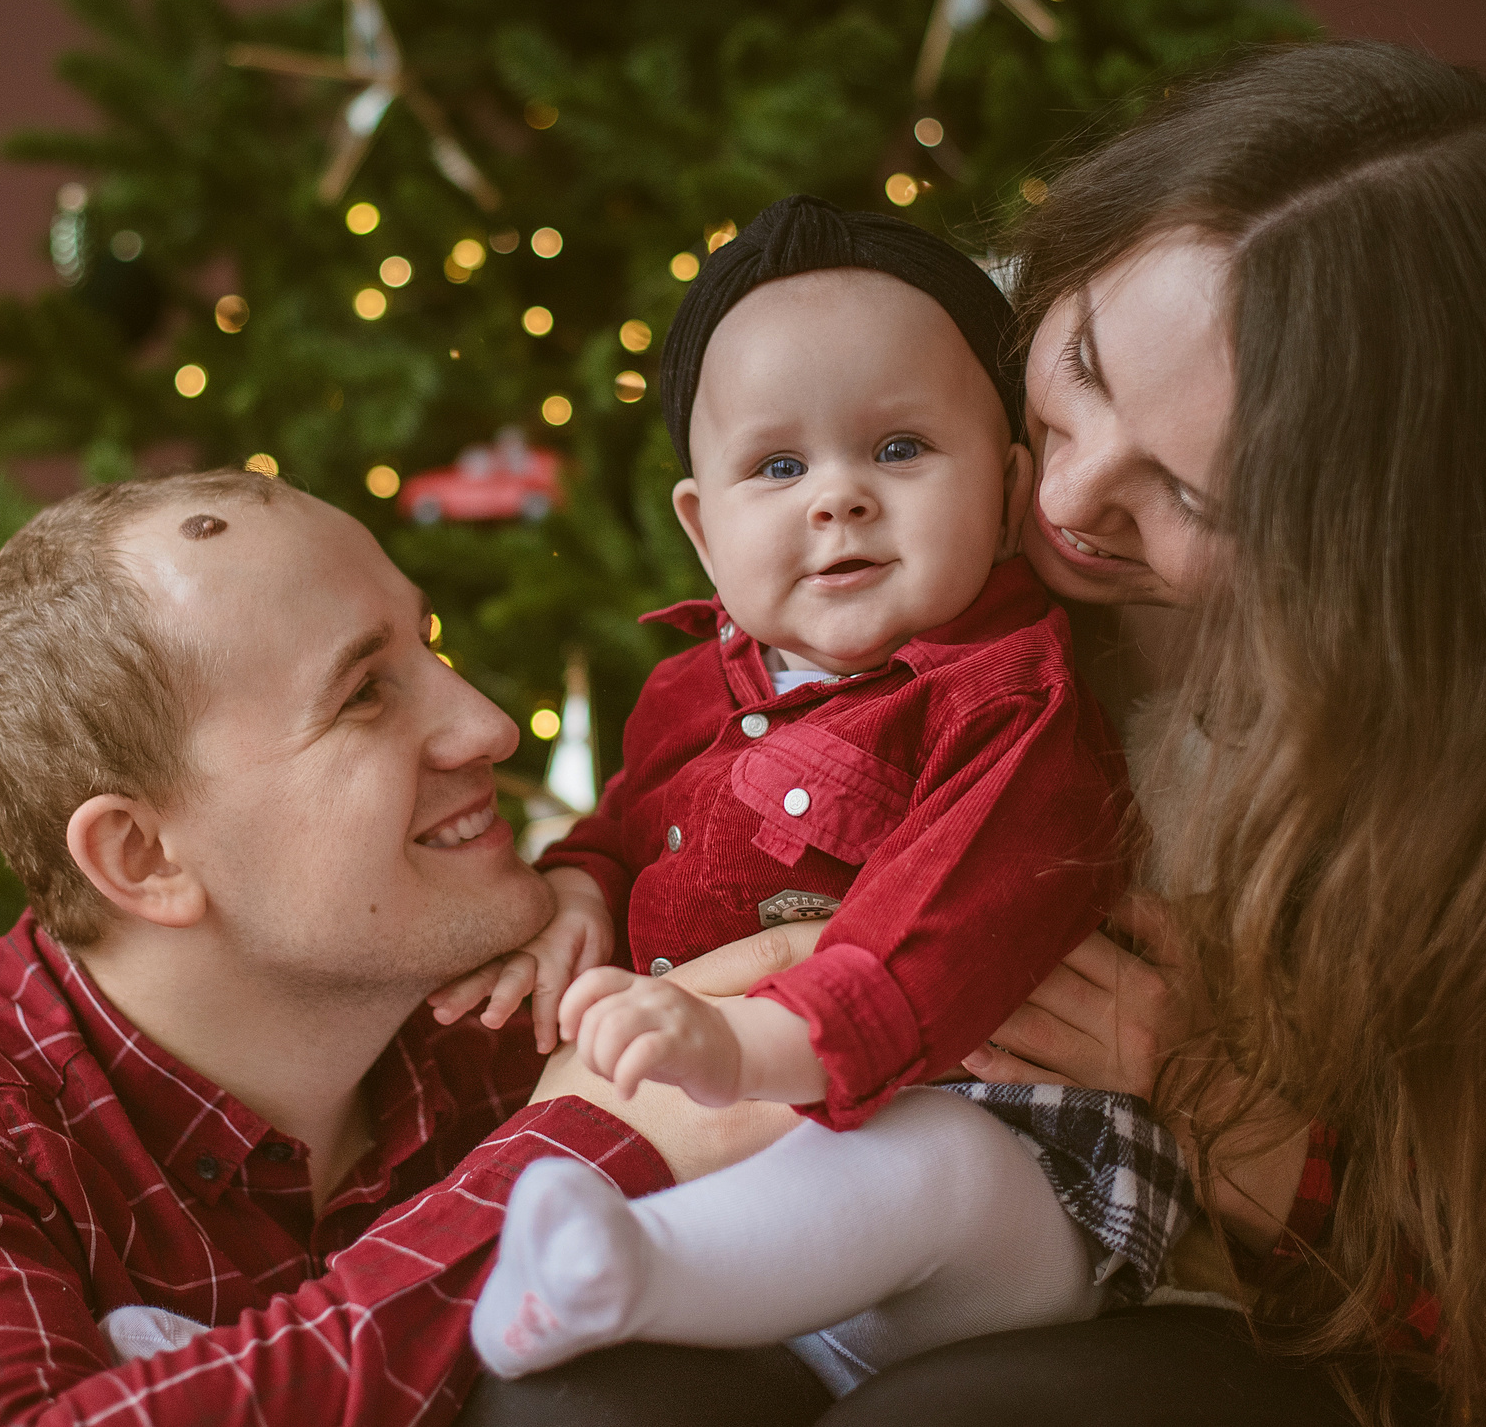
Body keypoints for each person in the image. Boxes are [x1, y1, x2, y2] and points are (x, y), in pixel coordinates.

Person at [474, 42, 1486, 1427]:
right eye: (1079, 361)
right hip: (771, 1186)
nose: (1070, 491)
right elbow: (696, 765)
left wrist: (1218, 1104)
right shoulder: (916, 397)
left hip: (1210, 1302)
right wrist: (583, 883)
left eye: (1196, 498)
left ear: (1392, 559)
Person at [0, 468, 799, 1426]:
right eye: (365, 692)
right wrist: (569, 1157)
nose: (488, 726)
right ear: (143, 856)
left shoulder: (508, 1015)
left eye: (431, 648)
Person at [446, 196, 1183, 1394]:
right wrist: (580, 882)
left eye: (898, 448)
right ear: (702, 526)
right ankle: (316, 1330)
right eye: (777, 466)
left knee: (930, 1156)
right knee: (528, 1127)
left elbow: (946, 924)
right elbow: (625, 816)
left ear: (1006, 491)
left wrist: (738, 1043)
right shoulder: (688, 689)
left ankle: (624, 1270)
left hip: (1012, 1194)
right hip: (749, 1171)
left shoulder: (1010, 700)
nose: (834, 497)